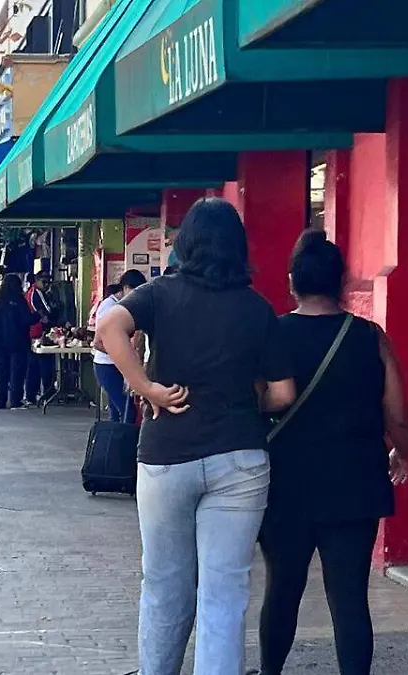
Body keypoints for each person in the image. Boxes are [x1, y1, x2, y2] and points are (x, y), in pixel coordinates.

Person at [96, 197, 296, 675]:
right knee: (225, 592)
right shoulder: (257, 308)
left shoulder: (161, 294)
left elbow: (108, 327)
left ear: (185, 244)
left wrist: (146, 387)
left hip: (168, 455)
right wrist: (250, 404)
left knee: (164, 584)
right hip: (241, 458)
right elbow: (284, 392)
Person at [255, 230, 408, 675]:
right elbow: (397, 412)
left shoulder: (273, 336)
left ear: (291, 282)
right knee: (349, 598)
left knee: (282, 590)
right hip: (355, 484)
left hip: (286, 485)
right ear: (342, 281)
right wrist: (402, 453)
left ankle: (270, 672)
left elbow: (254, 402)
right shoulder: (370, 337)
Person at [92, 270, 147, 421]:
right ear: (126, 288)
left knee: (116, 413)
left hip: (117, 365)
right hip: (106, 365)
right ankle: (122, 443)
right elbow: (98, 342)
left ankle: (113, 443)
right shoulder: (109, 307)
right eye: (135, 291)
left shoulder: (124, 306)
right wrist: (123, 354)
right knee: (127, 411)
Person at [0, 274, 35, 410]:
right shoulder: (19, 300)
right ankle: (15, 401)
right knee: (17, 372)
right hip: (17, 341)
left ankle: (0, 401)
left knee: (1, 370)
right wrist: (38, 316)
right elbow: (26, 320)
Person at [24, 272, 56, 406]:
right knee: (44, 366)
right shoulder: (37, 294)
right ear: (37, 281)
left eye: (49, 282)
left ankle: (33, 394)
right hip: (38, 334)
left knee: (34, 367)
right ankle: (47, 394)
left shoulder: (31, 293)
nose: (47, 285)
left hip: (33, 333)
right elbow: (47, 312)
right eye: (44, 282)